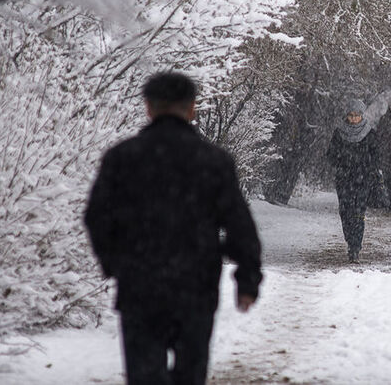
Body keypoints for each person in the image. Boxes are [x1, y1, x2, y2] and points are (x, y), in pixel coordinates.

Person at [84, 72, 262, 385]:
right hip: (196, 286)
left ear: (148, 108)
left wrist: (116, 263)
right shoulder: (213, 161)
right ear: (192, 108)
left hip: (140, 285)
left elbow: (96, 217)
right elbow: (238, 224)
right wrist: (246, 279)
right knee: (189, 376)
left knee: (144, 375)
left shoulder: (123, 158)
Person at [326, 99, 379, 263]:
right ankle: (350, 240)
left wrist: (369, 168)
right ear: (347, 116)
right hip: (344, 179)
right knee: (345, 212)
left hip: (363, 180)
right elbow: (331, 155)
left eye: (357, 115)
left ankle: (355, 247)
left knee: (358, 213)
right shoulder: (339, 133)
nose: (354, 118)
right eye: (351, 115)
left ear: (362, 116)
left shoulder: (370, 133)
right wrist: (341, 161)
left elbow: (376, 156)